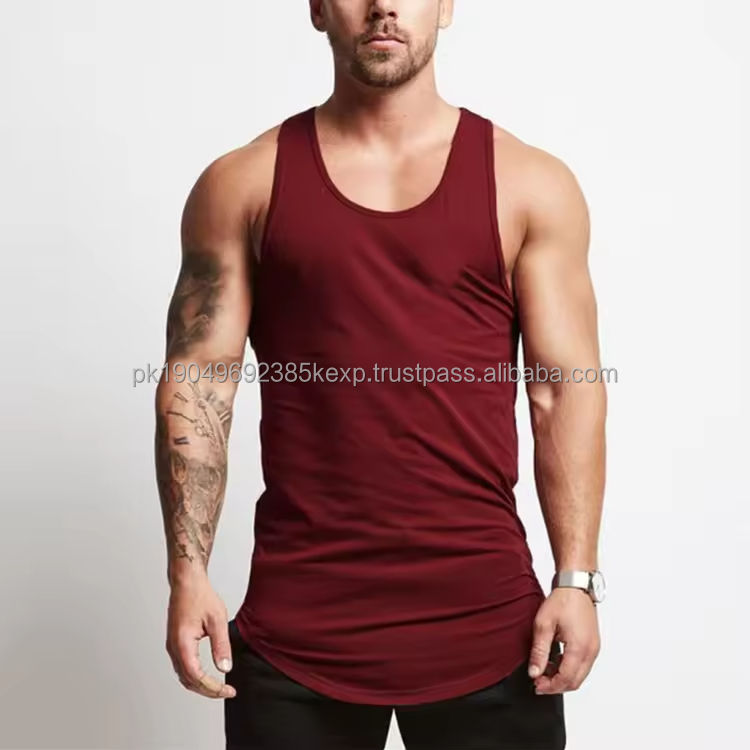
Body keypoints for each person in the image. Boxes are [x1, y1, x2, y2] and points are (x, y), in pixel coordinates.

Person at [154, 1, 606, 748]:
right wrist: (187, 572)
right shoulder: (243, 184)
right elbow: (200, 383)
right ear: (318, 9)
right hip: (297, 630)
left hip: (491, 625)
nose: (384, 6)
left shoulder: (529, 183)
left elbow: (564, 390)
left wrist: (576, 579)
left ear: (446, 6)